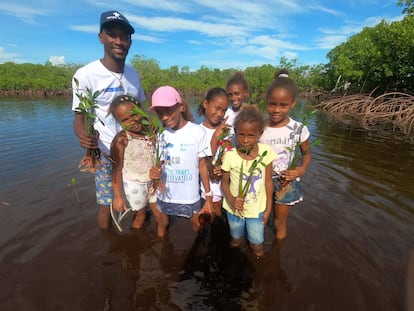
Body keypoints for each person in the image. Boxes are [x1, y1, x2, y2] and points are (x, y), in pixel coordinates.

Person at [72, 10, 146, 229]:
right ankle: (106, 247)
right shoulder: (85, 74)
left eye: (124, 36)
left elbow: (141, 111)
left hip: (134, 151)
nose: (119, 41)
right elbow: (79, 117)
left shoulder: (133, 74)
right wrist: (83, 137)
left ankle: (136, 236)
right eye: (112, 34)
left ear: (130, 41)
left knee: (139, 199)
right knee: (107, 204)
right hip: (105, 153)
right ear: (101, 37)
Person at [148, 86, 213, 238]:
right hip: (166, 195)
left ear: (181, 107)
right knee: (163, 222)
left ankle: (200, 250)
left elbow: (202, 165)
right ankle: (162, 251)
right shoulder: (161, 136)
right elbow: (159, 164)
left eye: (168, 111)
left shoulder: (198, 132)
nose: (164, 117)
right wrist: (154, 173)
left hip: (189, 195)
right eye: (160, 113)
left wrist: (208, 197)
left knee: (196, 224)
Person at [259, 69, 312, 240]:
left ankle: (276, 255)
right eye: (272, 104)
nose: (276, 110)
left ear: (293, 104)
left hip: (286, 181)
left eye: (283, 105)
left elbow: (307, 154)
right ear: (266, 101)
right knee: (258, 218)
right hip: (261, 180)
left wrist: (300, 170)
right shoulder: (259, 127)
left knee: (279, 223)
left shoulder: (298, 128)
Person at [221, 105, 275, 258]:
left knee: (257, 245)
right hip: (234, 209)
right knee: (235, 240)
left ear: (260, 133)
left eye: (251, 135)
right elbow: (224, 183)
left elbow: (268, 182)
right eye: (241, 135)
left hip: (256, 209)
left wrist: (268, 208)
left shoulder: (266, 153)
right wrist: (231, 199)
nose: (245, 140)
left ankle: (259, 271)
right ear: (235, 133)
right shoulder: (230, 155)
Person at [109, 95, 159, 230]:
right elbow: (116, 171)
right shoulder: (121, 140)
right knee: (140, 215)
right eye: (125, 120)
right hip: (134, 183)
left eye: (134, 115)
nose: (132, 121)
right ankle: (136, 244)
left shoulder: (151, 129)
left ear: (140, 110)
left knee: (160, 215)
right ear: (119, 122)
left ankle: (161, 239)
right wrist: (118, 197)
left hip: (153, 180)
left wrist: (156, 138)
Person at [196, 87, 229, 218]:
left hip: (227, 189)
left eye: (224, 110)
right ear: (205, 104)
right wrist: (215, 136)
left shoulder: (228, 131)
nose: (220, 114)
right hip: (211, 190)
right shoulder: (198, 132)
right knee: (213, 219)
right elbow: (205, 166)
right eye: (217, 108)